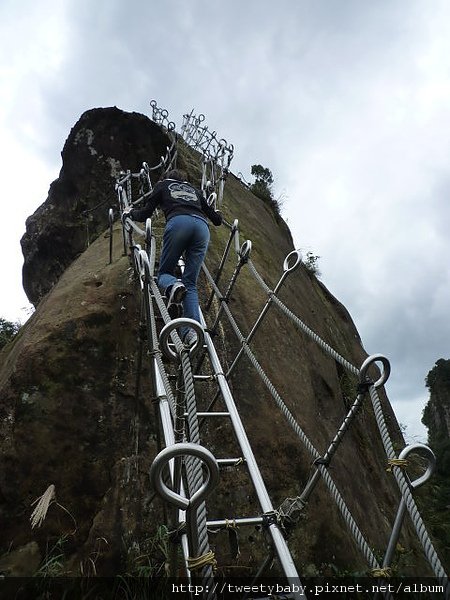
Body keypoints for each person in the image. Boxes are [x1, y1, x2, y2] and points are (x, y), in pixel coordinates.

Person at [124, 169, 222, 346]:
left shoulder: (162, 185)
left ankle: (173, 286)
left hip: (178, 223)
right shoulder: (195, 190)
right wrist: (217, 213)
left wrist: (130, 212)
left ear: (165, 177)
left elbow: (146, 213)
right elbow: (216, 219)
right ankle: (191, 333)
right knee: (190, 283)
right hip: (201, 228)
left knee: (164, 273)